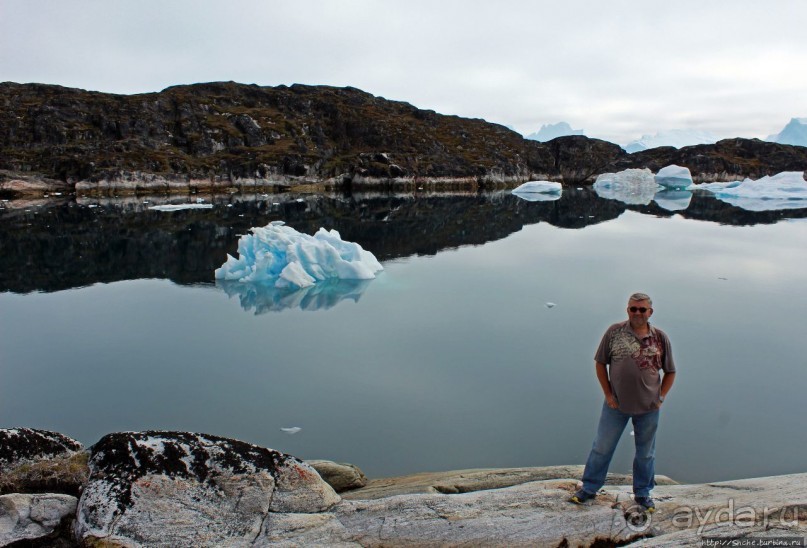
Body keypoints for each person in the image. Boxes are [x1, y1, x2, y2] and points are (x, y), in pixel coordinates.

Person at [570, 292, 676, 512]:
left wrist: (661, 397)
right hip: (615, 406)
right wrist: (608, 395)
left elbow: (670, 371)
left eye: (642, 309)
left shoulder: (660, 338)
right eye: (633, 309)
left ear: (650, 312)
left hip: (648, 408)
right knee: (602, 447)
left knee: (646, 453)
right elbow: (600, 364)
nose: (637, 313)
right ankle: (588, 488)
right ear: (627, 310)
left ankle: (643, 494)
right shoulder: (614, 332)